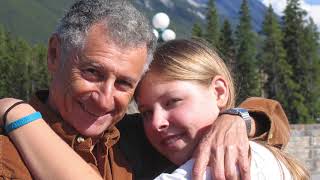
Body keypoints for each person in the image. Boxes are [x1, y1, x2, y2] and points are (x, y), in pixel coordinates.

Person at [0, 0, 291, 179]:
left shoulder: (142, 136)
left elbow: (276, 121)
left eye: (125, 83)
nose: (104, 99)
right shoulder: (9, 148)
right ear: (54, 55)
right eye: (92, 72)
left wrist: (236, 119)